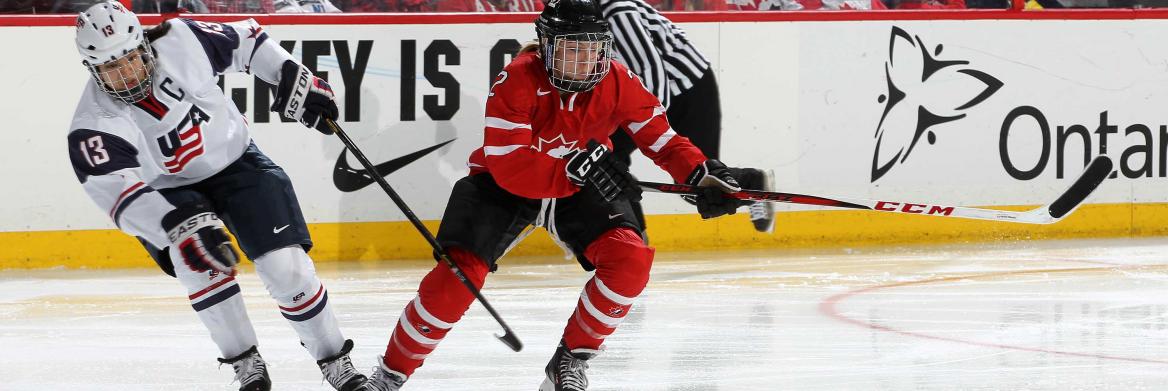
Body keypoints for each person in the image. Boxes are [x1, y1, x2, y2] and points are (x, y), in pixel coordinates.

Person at [364, 1, 750, 390]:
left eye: (592, 49)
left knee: (630, 259)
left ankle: (571, 360)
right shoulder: (516, 78)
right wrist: (571, 169)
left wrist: (700, 175)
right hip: (505, 186)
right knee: (456, 278)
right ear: (547, 46)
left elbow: (663, 141)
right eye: (572, 49)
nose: (585, 60)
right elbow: (507, 163)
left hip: (578, 185)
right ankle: (390, 374)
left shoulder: (618, 81)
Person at [67, 3, 367, 390]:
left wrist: (291, 74)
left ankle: (334, 360)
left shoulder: (181, 38)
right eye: (110, 68)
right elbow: (115, 190)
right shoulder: (93, 121)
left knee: (287, 270)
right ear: (93, 70)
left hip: (238, 162)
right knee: (198, 264)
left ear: (143, 44)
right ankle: (246, 363)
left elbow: (249, 41)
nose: (125, 74)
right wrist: (176, 225)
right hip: (169, 191)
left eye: (129, 59)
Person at [599, 0, 777, 234]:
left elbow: (653, 73)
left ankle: (754, 183)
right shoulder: (586, 15)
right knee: (605, 157)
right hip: (654, 93)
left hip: (687, 91)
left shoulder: (616, 11)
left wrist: (644, 125)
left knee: (698, 184)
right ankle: (629, 237)